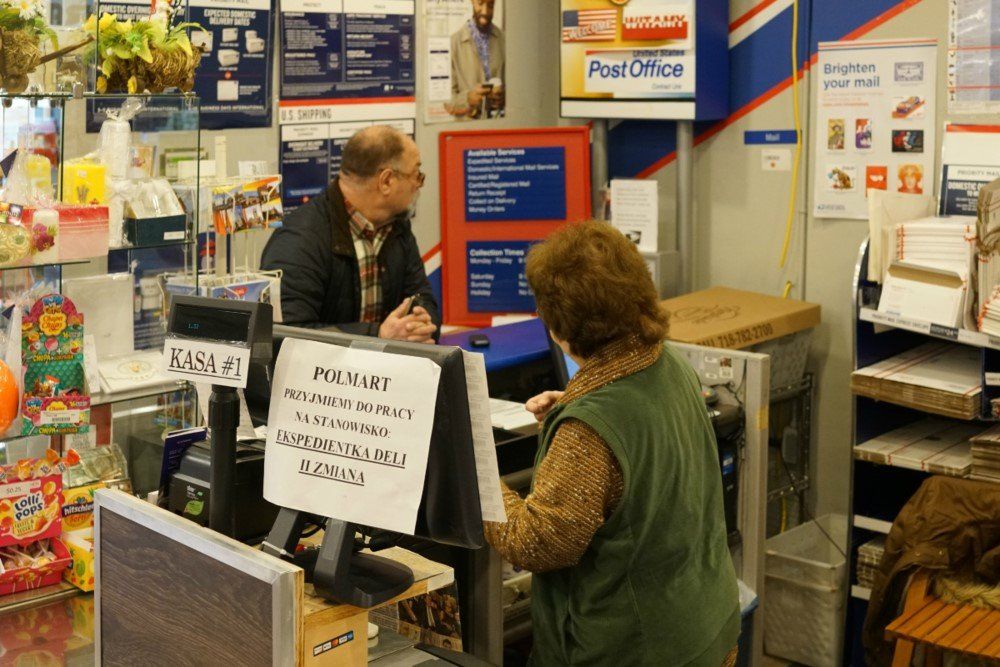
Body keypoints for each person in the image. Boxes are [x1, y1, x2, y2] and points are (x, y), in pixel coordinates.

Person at [484, 221, 740, 666]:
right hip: (704, 627)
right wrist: (576, 404)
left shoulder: (590, 432)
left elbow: (538, 544)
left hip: (636, 650)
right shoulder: (669, 363)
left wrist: (477, 471)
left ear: (558, 324)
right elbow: (643, 428)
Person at [260, 126, 439, 342]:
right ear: (386, 181)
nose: (419, 184)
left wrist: (419, 324)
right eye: (416, 174)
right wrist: (379, 337)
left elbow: (421, 296)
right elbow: (286, 337)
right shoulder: (300, 240)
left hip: (388, 371)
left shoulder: (397, 225)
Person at [450, 0, 505, 120]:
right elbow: (444, 101)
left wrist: (504, 97)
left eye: (490, 5)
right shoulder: (454, 43)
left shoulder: (503, 40)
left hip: (498, 127)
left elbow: (516, 89)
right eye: (480, 3)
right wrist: (467, 99)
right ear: (472, 2)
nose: (485, 11)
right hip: (467, 130)